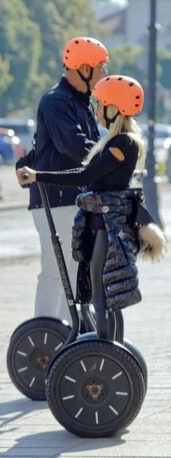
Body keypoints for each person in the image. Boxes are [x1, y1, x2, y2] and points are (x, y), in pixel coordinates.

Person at [17, 75, 165, 339]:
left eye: (101, 104)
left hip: (107, 228)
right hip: (101, 225)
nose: (96, 109)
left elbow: (83, 177)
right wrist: (40, 172)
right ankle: (107, 349)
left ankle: (107, 352)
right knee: (101, 293)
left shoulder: (123, 144)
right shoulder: (117, 142)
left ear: (114, 109)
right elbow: (84, 171)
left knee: (103, 296)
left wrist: (40, 176)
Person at [19, 37, 108, 325]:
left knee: (72, 271)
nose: (104, 74)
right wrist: (111, 159)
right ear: (83, 68)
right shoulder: (56, 101)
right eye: (101, 68)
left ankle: (64, 334)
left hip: (70, 199)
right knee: (56, 272)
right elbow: (76, 146)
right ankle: (45, 337)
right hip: (54, 200)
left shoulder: (80, 103)